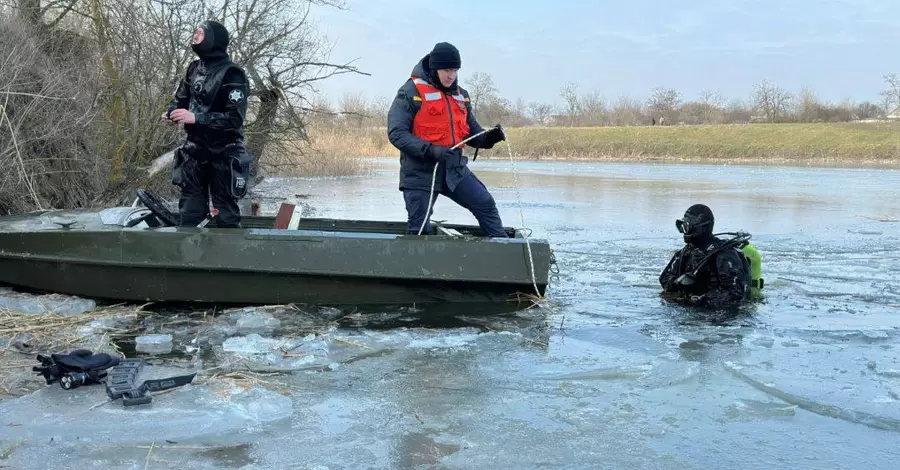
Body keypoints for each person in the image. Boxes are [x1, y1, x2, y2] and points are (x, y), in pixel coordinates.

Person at [387, 42, 508, 237]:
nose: (451, 75)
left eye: (455, 70)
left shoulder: (461, 96)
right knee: (419, 229)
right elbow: (396, 133)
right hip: (420, 173)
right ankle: (418, 265)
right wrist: (431, 150)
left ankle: (505, 253)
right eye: (446, 70)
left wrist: (489, 138)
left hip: (454, 170)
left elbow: (472, 133)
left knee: (485, 204)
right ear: (435, 68)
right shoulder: (410, 92)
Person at [162, 20, 253, 228]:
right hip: (195, 150)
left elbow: (234, 120)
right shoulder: (193, 69)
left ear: (213, 40)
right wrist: (171, 114)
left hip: (225, 151)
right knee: (190, 210)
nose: (195, 36)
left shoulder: (232, 74)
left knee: (225, 213)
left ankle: (228, 257)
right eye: (196, 32)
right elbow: (180, 100)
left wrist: (196, 118)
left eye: (200, 33)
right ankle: (188, 256)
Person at [659, 204, 754, 309]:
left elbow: (735, 294)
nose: (684, 232)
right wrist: (677, 283)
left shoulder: (724, 255)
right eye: (682, 227)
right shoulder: (685, 252)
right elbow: (664, 278)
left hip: (717, 316)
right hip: (691, 308)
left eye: (687, 227)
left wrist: (700, 300)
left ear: (703, 228)